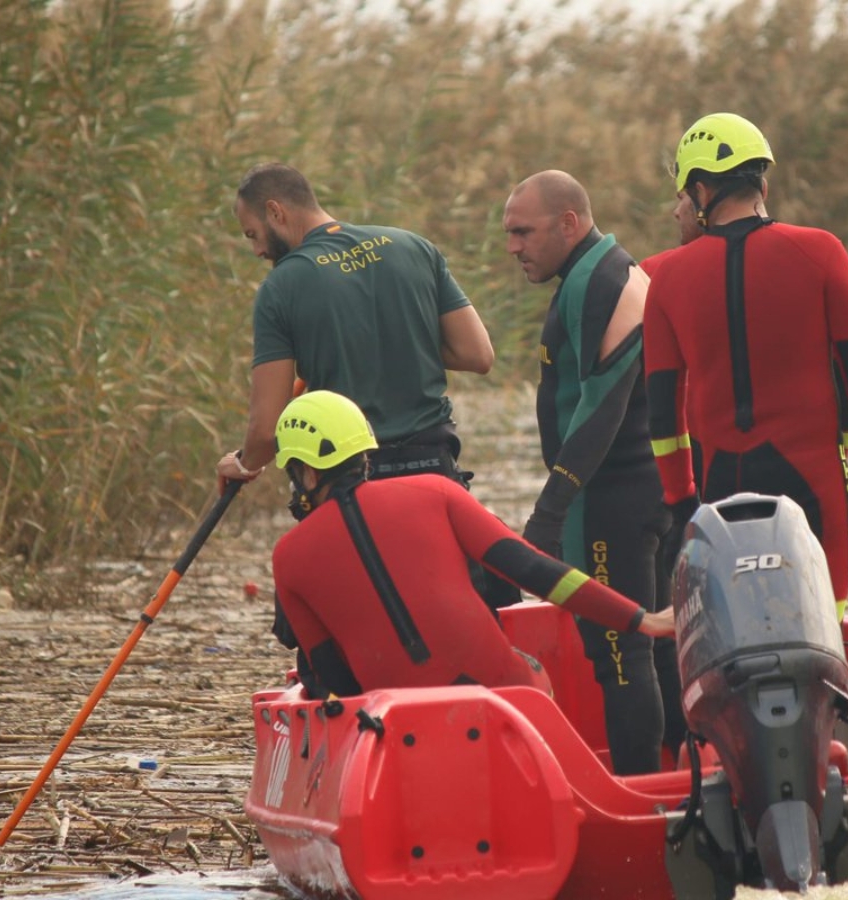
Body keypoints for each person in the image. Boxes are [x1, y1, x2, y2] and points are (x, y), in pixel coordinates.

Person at [644, 112, 848, 621]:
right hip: (809, 484)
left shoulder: (666, 277)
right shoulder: (820, 252)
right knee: (820, 631)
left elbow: (663, 419)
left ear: (699, 192)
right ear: (760, 183)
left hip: (719, 490)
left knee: (737, 632)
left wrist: (682, 506)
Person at [269, 390, 675, 699]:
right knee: (526, 667)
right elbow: (535, 570)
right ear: (365, 455)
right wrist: (641, 619)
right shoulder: (436, 492)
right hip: (507, 699)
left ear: (305, 473)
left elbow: (329, 683)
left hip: (399, 728)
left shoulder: (287, 557)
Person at [502, 170, 685, 775]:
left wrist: (550, 512)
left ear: (568, 223)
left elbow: (600, 408)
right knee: (657, 652)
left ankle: (642, 799)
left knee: (620, 656)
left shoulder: (601, 281)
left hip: (610, 499)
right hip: (643, 492)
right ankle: (682, 785)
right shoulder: (605, 270)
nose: (513, 247)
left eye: (523, 232)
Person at [215, 162, 494, 487]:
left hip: (351, 480)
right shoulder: (412, 246)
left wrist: (244, 464)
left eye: (253, 235)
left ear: (275, 212)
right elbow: (477, 354)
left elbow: (265, 432)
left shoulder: (280, 287)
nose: (258, 250)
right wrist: (393, 337)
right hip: (435, 468)